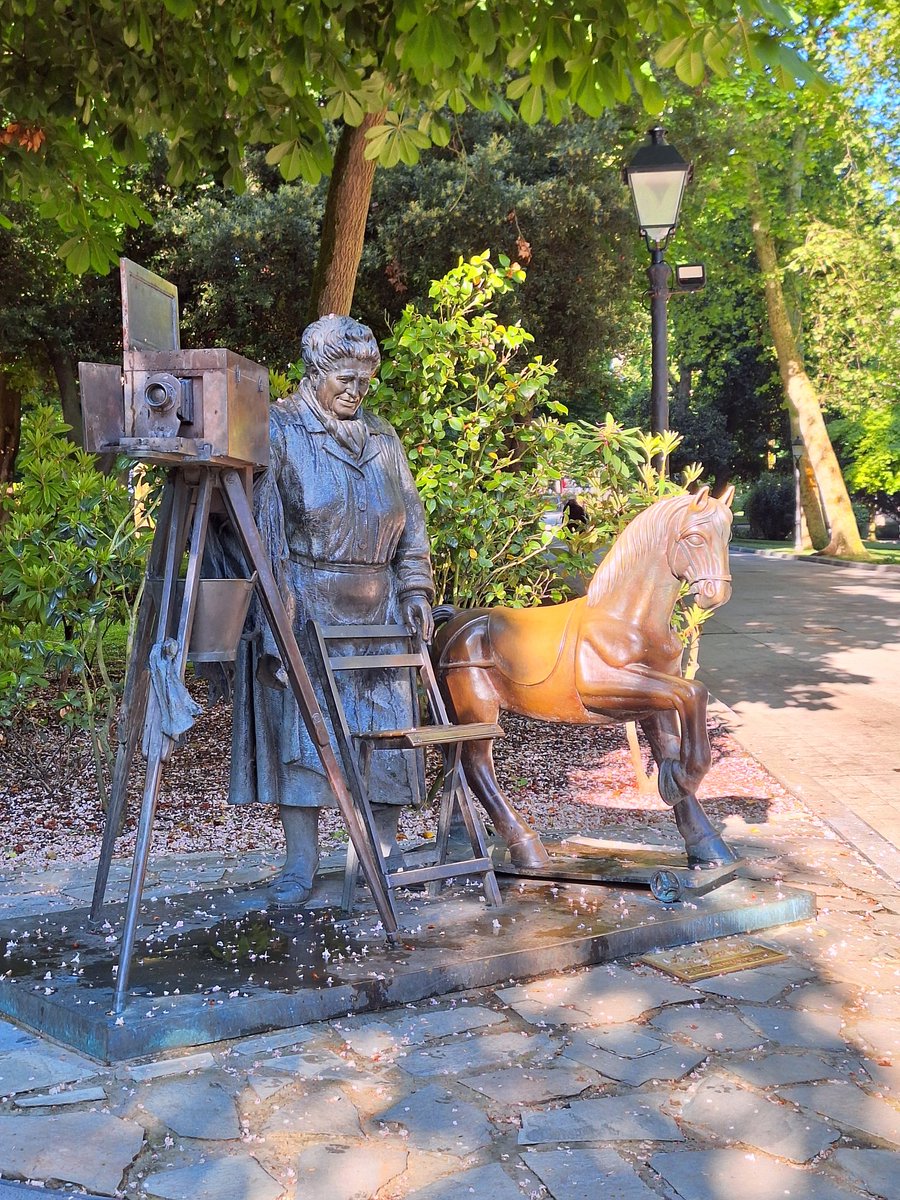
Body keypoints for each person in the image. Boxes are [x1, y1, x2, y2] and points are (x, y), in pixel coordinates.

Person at [230, 315, 434, 906]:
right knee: (305, 735)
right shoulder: (283, 431)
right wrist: (278, 611)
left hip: (381, 610)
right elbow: (264, 531)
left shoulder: (384, 439)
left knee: (388, 734)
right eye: (344, 379)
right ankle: (301, 861)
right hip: (309, 603)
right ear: (314, 372)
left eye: (365, 381)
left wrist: (416, 590)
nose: (356, 391)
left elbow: (412, 524)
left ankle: (382, 854)